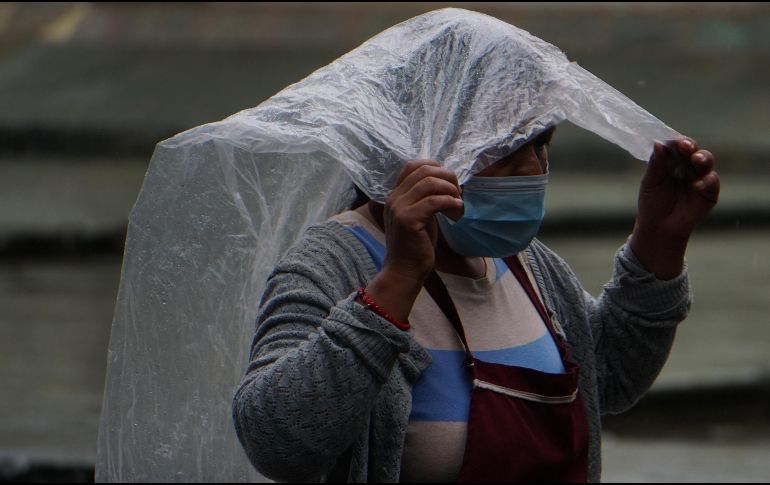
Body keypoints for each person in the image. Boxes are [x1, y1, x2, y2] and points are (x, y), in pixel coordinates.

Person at [232, 110, 720, 481]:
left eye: (542, 145)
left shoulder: (529, 265)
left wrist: (659, 241)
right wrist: (397, 281)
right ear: (426, 146)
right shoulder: (335, 263)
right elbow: (276, 441)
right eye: (506, 148)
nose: (532, 168)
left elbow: (607, 376)